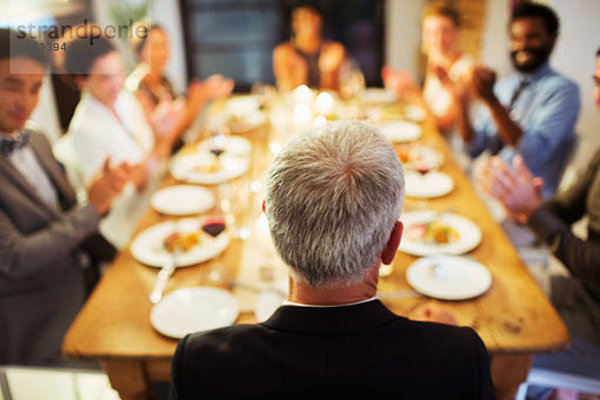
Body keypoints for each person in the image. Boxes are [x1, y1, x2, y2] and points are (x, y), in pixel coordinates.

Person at [169, 120, 495, 399]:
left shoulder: (199, 364)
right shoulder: (460, 358)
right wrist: (438, 342)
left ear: (270, 229)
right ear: (392, 244)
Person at [0, 28, 128, 365]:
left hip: (91, 288)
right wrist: (92, 208)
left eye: (35, 88)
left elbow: (69, 210)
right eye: (12, 86)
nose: (25, 102)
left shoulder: (37, 139)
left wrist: (102, 193)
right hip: (43, 324)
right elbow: (15, 258)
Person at [475, 47, 600, 391]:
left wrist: (534, 214)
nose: (599, 97)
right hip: (579, 293)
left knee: (494, 341)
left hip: (595, 323)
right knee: (486, 298)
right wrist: (526, 205)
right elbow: (567, 206)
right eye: (598, 82)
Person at [456, 1, 580, 199]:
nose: (521, 45)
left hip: (523, 208)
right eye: (515, 38)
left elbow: (531, 154)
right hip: (483, 190)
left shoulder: (564, 91)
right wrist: (460, 101)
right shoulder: (504, 85)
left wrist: (492, 102)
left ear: (553, 40)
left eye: (532, 37)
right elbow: (473, 148)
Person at [65, 29, 174, 248]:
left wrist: (161, 134)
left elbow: (150, 154)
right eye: (105, 78)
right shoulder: (84, 128)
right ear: (81, 80)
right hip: (129, 222)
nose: (116, 83)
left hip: (157, 195)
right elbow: (113, 200)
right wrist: (159, 147)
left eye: (119, 72)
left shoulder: (125, 99)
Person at [127, 22, 234, 141]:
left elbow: (181, 125)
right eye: (156, 46)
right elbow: (164, 139)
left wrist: (198, 96)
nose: (163, 52)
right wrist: (198, 98)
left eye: (165, 44)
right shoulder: (137, 89)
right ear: (140, 52)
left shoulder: (165, 81)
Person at [382, 3, 475, 134]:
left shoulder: (467, 69)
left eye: (445, 31)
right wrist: (405, 90)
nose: (437, 39)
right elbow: (427, 106)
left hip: (452, 151)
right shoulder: (435, 60)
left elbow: (443, 126)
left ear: (457, 32)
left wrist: (412, 92)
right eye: (430, 32)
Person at [273, 5, 346, 92]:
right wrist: (299, 73)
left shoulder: (333, 50)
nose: (310, 23)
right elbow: (287, 90)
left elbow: (336, 91)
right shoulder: (283, 53)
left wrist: (328, 73)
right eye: (304, 19)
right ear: (295, 23)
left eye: (313, 18)